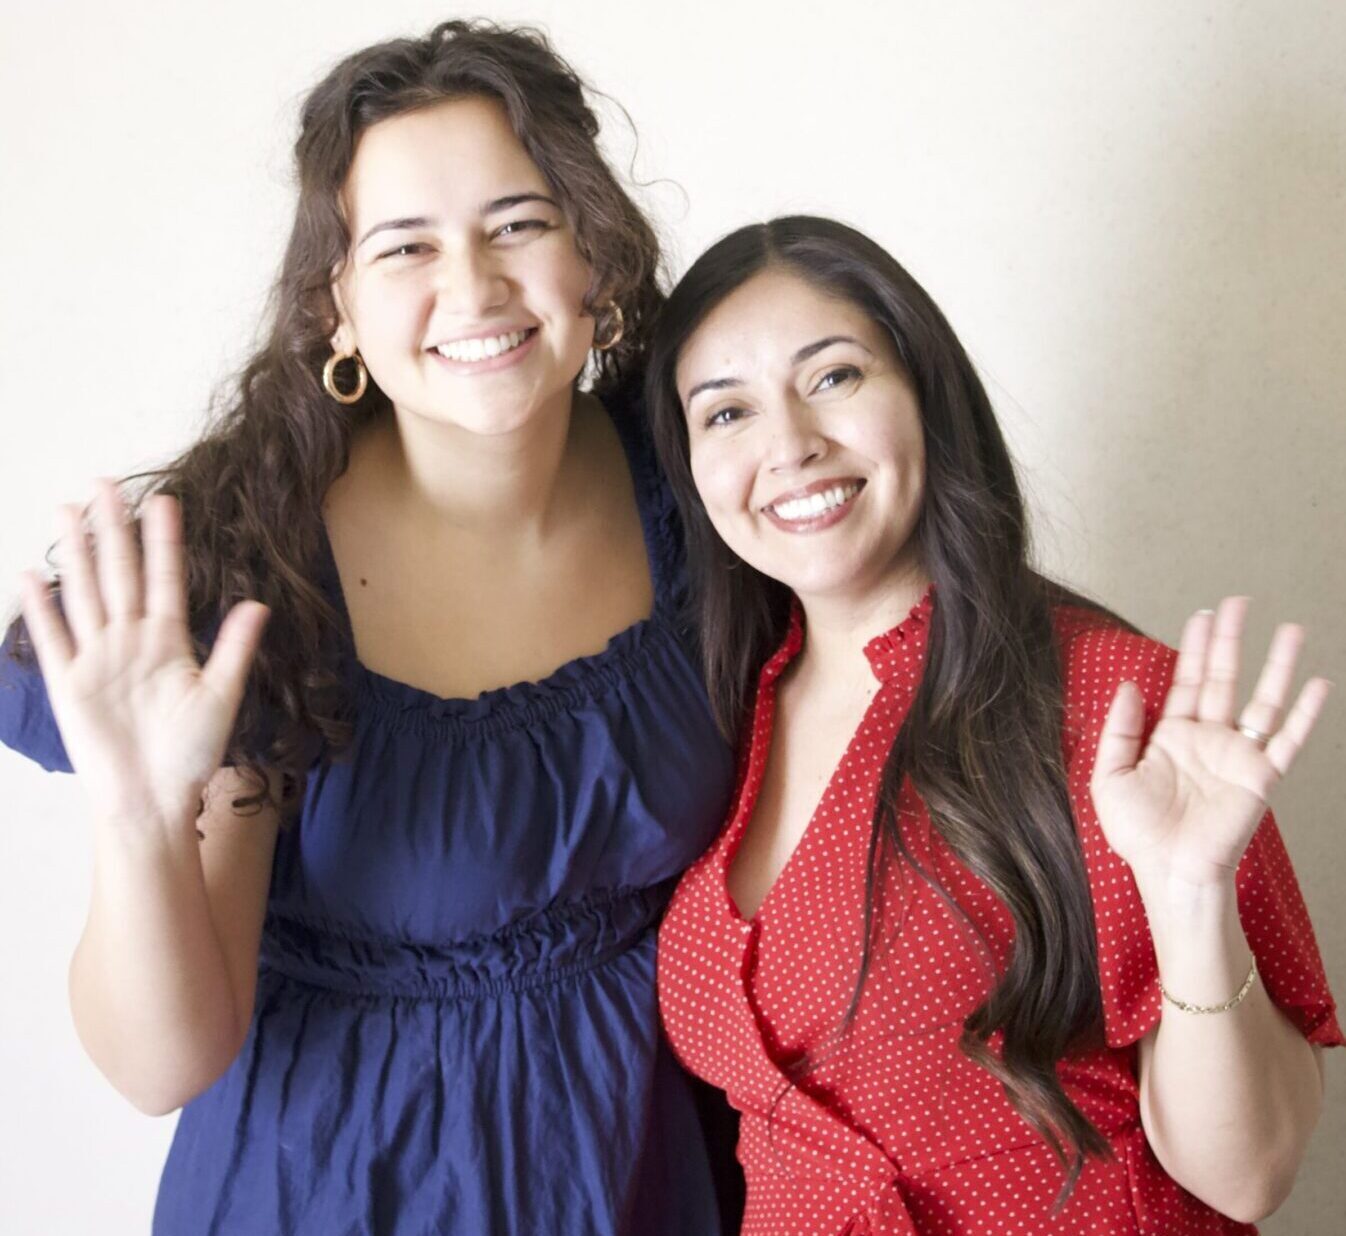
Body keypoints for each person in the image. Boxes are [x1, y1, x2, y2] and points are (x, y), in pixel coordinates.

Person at [0, 21, 741, 1235]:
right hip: (338, 1187)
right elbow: (158, 1066)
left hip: (640, 1172)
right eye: (405, 247)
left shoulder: (703, 487)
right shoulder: (249, 571)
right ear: (334, 305)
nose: (475, 288)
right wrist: (140, 814)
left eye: (518, 222)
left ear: (594, 255)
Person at [646, 216, 1340, 1234]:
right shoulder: (719, 717)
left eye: (832, 378)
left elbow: (1246, 1178)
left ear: (926, 394)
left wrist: (1190, 899)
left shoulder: (1107, 702)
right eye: (725, 413)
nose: (788, 445)